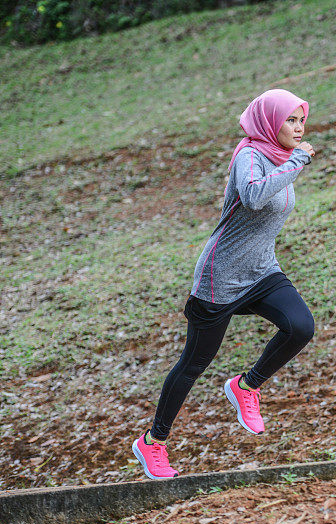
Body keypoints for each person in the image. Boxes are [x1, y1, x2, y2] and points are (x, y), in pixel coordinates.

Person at [132, 89, 317, 480]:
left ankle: (247, 386)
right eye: (291, 120)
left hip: (262, 271)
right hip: (221, 278)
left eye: (302, 121)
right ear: (270, 122)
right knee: (194, 364)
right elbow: (252, 197)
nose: (299, 129)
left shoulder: (283, 158)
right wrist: (299, 161)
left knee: (300, 326)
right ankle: (153, 443)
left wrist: (293, 161)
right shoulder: (249, 157)